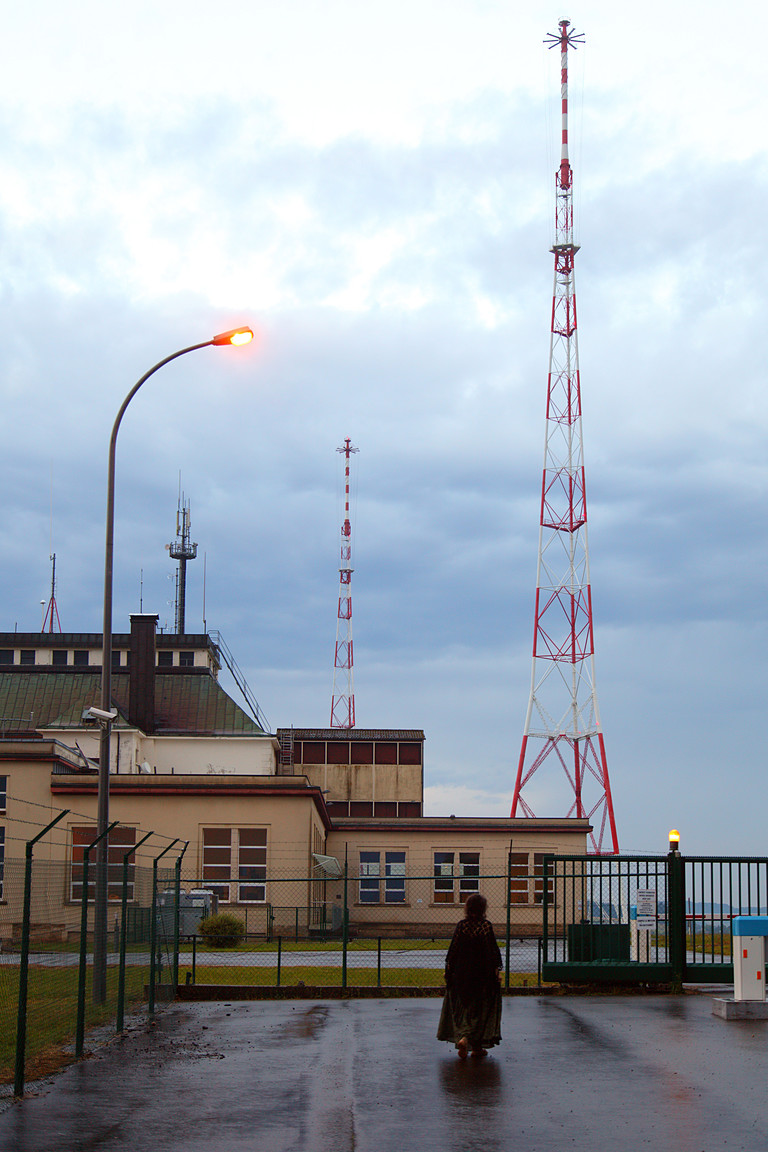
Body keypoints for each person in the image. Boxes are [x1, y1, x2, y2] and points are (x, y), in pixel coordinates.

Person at [437, 892, 502, 1059]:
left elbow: (453, 950)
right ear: (483, 909)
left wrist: (449, 971)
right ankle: (475, 1046)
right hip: (481, 976)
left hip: (461, 974)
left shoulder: (461, 926)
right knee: (480, 1011)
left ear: (468, 908)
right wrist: (496, 974)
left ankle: (463, 1038)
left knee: (461, 1009)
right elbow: (492, 953)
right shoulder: (486, 926)